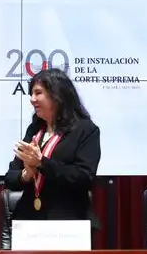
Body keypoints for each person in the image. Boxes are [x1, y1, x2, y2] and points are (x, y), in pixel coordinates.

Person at [5, 68, 101, 230]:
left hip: (68, 223)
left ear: (57, 96)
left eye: (38, 93)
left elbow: (84, 177)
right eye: (31, 94)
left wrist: (42, 163)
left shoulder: (85, 130)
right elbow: (10, 178)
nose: (32, 99)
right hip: (29, 222)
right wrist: (26, 175)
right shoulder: (34, 130)